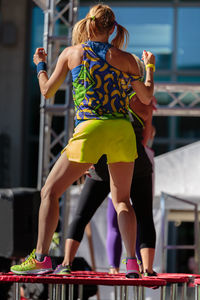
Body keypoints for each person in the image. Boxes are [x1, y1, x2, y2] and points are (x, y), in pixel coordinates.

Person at [10, 3, 155, 278]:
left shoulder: (72, 53)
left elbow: (46, 91)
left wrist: (40, 65)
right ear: (112, 29)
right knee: (122, 200)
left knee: (50, 192)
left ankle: (41, 257)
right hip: (122, 130)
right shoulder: (126, 58)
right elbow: (146, 98)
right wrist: (149, 68)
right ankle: (132, 262)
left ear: (88, 25)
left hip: (91, 128)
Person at [58, 56, 157, 277]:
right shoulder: (143, 102)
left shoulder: (114, 94)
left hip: (104, 159)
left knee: (82, 214)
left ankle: (66, 263)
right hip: (134, 158)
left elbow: (91, 123)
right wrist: (151, 68)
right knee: (141, 214)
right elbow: (148, 132)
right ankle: (145, 268)